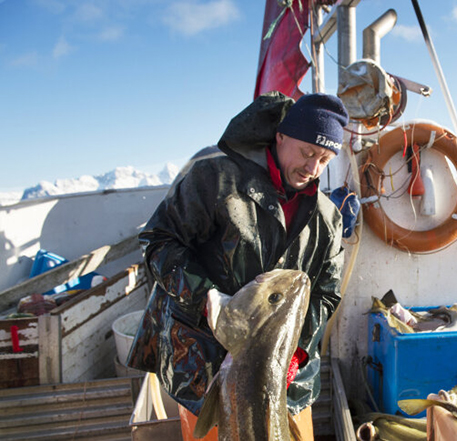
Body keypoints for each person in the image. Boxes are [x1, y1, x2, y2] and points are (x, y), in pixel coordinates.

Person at [126, 91, 349, 439]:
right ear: (280, 136)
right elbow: (159, 242)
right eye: (307, 152)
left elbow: (326, 294)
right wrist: (206, 296)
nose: (312, 168)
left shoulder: (328, 217)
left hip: (286, 380)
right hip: (207, 367)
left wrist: (296, 353)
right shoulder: (214, 179)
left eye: (324, 159)